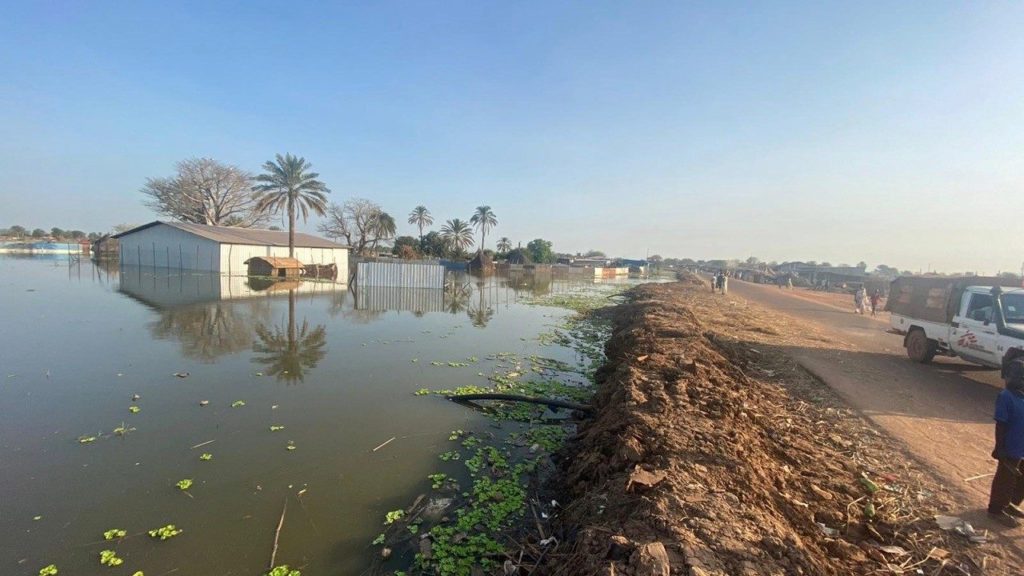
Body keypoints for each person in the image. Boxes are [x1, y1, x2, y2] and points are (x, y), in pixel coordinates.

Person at [988, 358, 1024, 527]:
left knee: (1019, 481)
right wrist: (999, 448)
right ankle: (995, 509)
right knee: (1004, 479)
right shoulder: (1005, 397)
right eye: (1013, 376)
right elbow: (1000, 424)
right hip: (1010, 448)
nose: (1018, 379)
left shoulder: (1022, 397)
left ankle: (1009, 504)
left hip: (1021, 448)